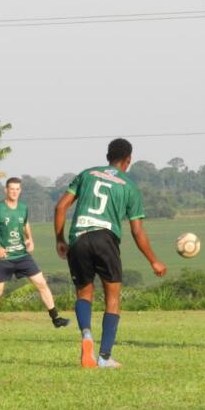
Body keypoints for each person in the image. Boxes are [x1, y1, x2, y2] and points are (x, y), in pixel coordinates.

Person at [54, 138, 167, 369]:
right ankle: (104, 357)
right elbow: (137, 230)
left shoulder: (87, 174)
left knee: (84, 294)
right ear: (128, 160)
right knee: (112, 298)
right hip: (105, 239)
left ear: (107, 156)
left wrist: (60, 239)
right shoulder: (129, 186)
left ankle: (86, 336)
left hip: (79, 238)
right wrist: (154, 260)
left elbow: (60, 207)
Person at [0, 177, 69, 333]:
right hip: (4, 258)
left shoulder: (23, 208)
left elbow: (25, 223)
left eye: (17, 189)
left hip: (22, 255)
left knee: (41, 283)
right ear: (6, 190)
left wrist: (29, 238)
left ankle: (56, 319)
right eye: (11, 189)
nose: (14, 192)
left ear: (20, 191)